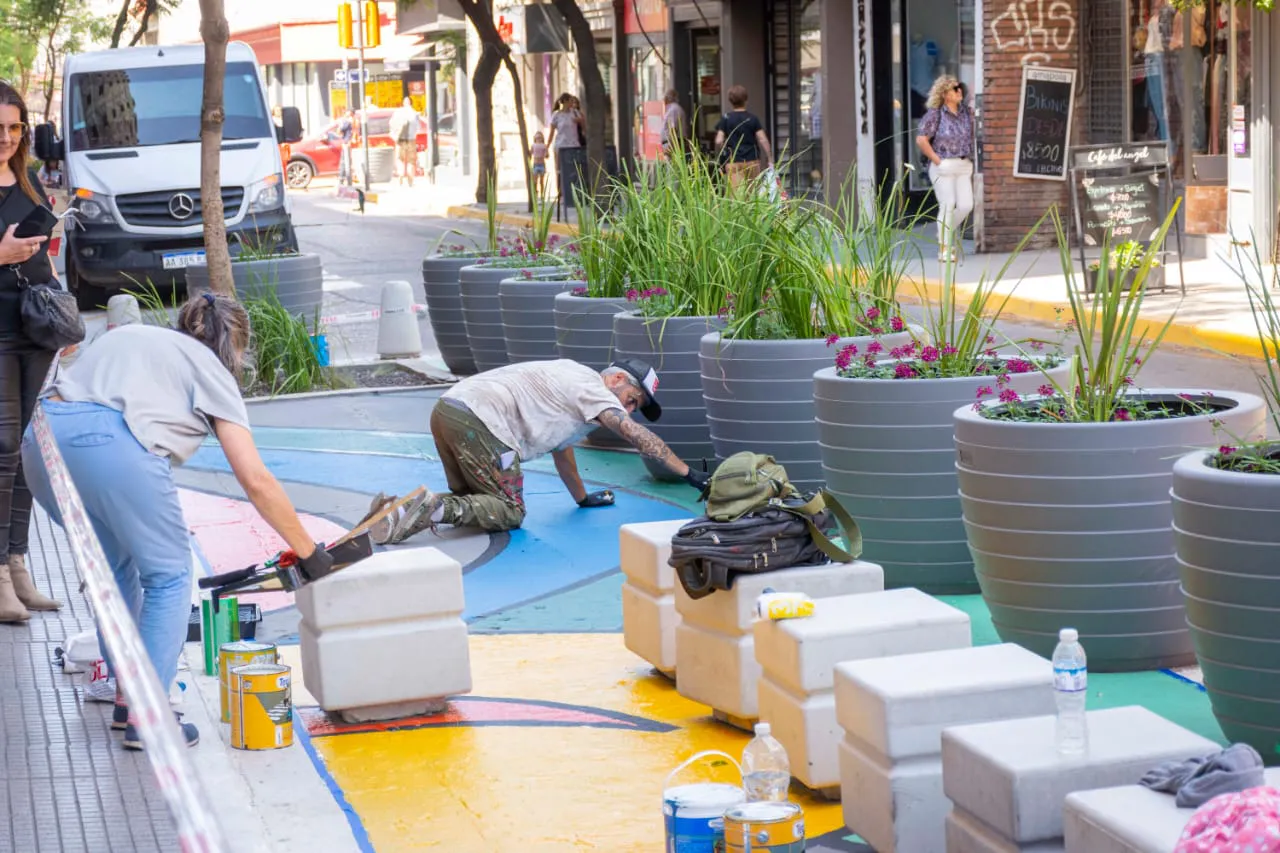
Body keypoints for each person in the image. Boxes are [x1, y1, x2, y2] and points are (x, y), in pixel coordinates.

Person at [21, 294, 333, 749]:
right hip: (109, 445)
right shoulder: (212, 369)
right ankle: (148, 714)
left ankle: (127, 694)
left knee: (113, 572)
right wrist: (309, 552)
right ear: (235, 346)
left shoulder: (132, 335)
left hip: (42, 442)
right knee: (169, 575)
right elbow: (256, 480)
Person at [371, 358, 711, 543]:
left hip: (449, 409)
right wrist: (688, 474)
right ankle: (430, 508)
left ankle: (397, 510)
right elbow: (634, 434)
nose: (630, 409)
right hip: (482, 420)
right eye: (633, 400)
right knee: (508, 512)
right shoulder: (596, 390)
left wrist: (582, 498)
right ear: (617, 378)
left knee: (476, 502)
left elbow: (562, 452)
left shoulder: (571, 377)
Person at [0, 81, 64, 624]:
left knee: (21, 452)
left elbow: (43, 251)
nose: (7, 137)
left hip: (35, 328)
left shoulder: (30, 179)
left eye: (15, 127)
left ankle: (19, 566)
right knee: (1, 448)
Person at [915, 75, 975, 264]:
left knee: (966, 205)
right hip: (943, 166)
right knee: (948, 204)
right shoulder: (935, 114)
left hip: (964, 165)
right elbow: (921, 139)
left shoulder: (967, 113)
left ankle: (945, 231)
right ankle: (945, 247)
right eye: (955, 88)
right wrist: (937, 161)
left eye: (960, 88)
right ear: (945, 94)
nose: (960, 91)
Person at [714, 85, 773, 190]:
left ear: (730, 101)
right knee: (752, 193)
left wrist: (725, 149)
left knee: (736, 196)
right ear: (746, 99)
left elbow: (718, 140)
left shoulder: (726, 118)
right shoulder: (752, 118)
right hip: (752, 160)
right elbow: (763, 139)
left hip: (733, 161)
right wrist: (769, 158)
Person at [546, 93, 585, 198]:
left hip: (573, 144)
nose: (572, 104)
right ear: (564, 102)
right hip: (561, 145)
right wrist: (547, 146)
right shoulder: (556, 115)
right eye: (570, 101)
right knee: (560, 170)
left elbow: (583, 124)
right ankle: (561, 193)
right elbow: (552, 131)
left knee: (575, 169)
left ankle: (575, 193)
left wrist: (580, 120)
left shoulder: (575, 113)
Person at [390, 97, 421, 187]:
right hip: (411, 140)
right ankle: (410, 181)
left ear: (403, 103)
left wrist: (395, 134)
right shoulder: (414, 113)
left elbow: (391, 124)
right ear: (411, 103)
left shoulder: (397, 112)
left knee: (400, 158)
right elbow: (418, 128)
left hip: (400, 140)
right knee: (411, 161)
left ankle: (400, 175)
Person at [329, 107, 355, 186]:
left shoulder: (349, 121)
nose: (346, 114)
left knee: (344, 161)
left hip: (347, 142)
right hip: (348, 142)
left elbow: (340, 130)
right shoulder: (349, 120)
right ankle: (344, 178)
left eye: (348, 112)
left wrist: (341, 124)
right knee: (345, 161)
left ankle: (343, 178)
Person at [660, 89, 688, 158]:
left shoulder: (674, 109)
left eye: (665, 96)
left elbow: (673, 129)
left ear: (667, 98)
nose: (663, 99)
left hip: (672, 145)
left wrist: (670, 146)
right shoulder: (672, 109)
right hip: (672, 144)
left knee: (672, 167)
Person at [530, 131, 549, 197]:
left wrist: (546, 154)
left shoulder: (544, 145)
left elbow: (547, 155)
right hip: (535, 164)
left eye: (540, 137)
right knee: (535, 181)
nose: (538, 138)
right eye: (537, 137)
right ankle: (535, 194)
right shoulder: (533, 145)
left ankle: (542, 195)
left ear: (542, 138)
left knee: (542, 181)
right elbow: (530, 153)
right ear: (535, 138)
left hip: (542, 164)